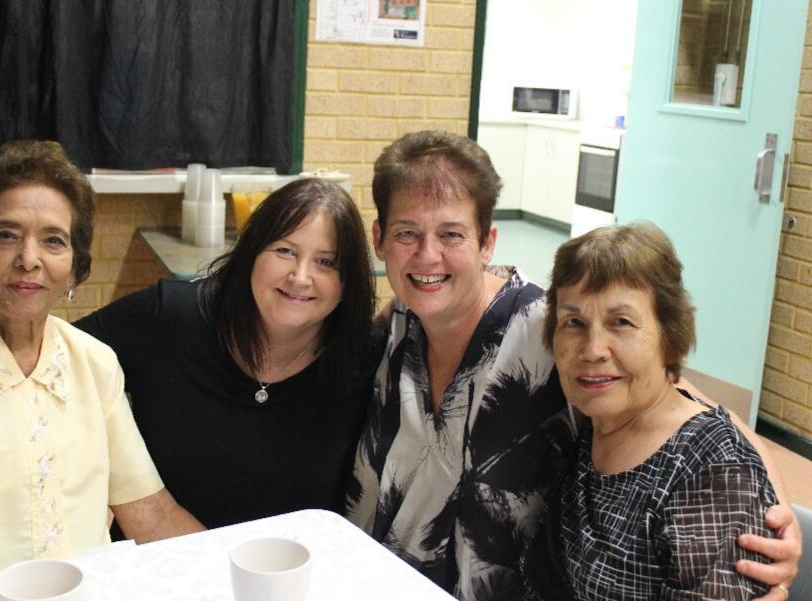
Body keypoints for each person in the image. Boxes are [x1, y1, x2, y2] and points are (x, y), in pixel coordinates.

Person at [346, 130, 801, 601]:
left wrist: (774, 522)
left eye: (451, 234)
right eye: (406, 233)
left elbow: (688, 410)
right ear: (380, 240)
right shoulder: (400, 322)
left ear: (487, 243)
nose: (427, 255)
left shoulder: (552, 330)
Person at [0, 141, 201, 596]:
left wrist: (226, 575)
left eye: (53, 240)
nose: (29, 258)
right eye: (6, 235)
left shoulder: (96, 364)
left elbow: (151, 514)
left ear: (74, 269)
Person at [75, 177, 379, 529]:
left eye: (326, 262)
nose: (300, 276)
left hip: (297, 562)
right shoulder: (171, 318)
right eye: (285, 251)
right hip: (156, 556)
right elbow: (57, 360)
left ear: (348, 281)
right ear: (253, 251)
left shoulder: (367, 358)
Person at [521, 222, 780, 600]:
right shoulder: (591, 421)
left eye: (621, 322)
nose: (592, 350)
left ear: (668, 335)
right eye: (574, 322)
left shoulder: (711, 472)